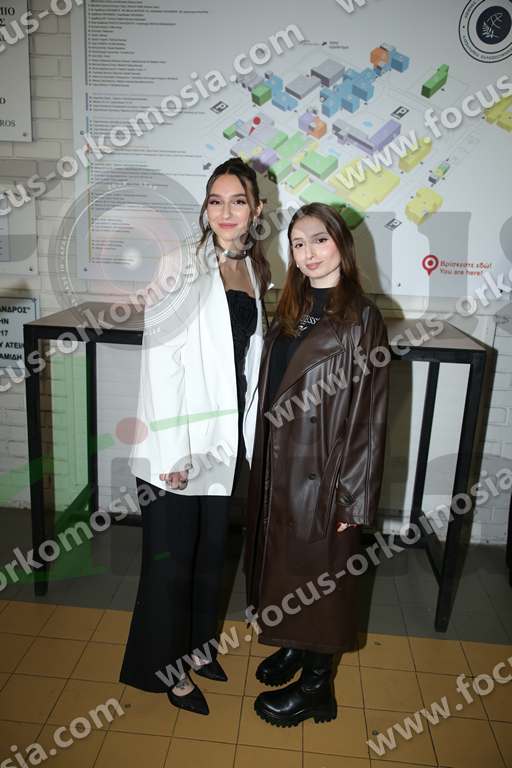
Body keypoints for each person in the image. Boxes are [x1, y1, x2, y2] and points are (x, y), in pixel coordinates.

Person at [120, 158, 271, 716]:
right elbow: (162, 365)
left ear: (256, 209)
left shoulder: (254, 267)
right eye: (215, 200)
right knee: (171, 566)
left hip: (221, 443)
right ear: (205, 208)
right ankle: (166, 672)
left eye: (238, 201)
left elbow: (248, 362)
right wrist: (174, 454)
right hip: (177, 444)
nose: (226, 212)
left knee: (210, 556)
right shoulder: (181, 262)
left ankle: (199, 649)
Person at [244, 202, 390, 727]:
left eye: (319, 240)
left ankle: (315, 688)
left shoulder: (362, 318)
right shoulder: (292, 306)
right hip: (278, 466)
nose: (308, 253)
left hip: (324, 472)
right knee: (286, 570)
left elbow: (370, 417)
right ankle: (292, 643)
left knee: (322, 580)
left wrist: (353, 498)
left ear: (341, 246)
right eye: (298, 243)